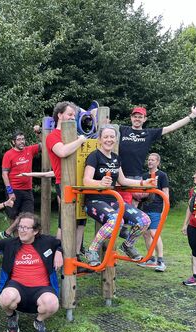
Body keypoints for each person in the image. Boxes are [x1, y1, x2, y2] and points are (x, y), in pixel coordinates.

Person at [0, 213, 63, 332]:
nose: (21, 230)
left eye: (25, 228)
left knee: (52, 304)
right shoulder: (11, 243)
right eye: (20, 227)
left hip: (42, 288)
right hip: (17, 286)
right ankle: (11, 316)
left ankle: (39, 321)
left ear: (35, 231)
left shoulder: (46, 242)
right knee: (5, 298)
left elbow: (61, 244)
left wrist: (59, 252)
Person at [82, 125, 156, 265]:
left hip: (113, 201)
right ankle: (91, 250)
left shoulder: (116, 158)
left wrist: (143, 182)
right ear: (100, 139)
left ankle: (127, 245)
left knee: (144, 220)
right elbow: (86, 180)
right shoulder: (94, 156)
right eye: (106, 137)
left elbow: (123, 181)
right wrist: (100, 183)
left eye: (112, 137)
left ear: (116, 139)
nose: (109, 139)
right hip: (95, 201)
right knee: (117, 220)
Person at [118, 104, 196, 206]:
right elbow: (103, 129)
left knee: (132, 208)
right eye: (135, 116)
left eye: (140, 117)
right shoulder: (121, 130)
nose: (137, 119)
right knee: (116, 205)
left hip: (135, 176)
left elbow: (171, 128)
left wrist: (191, 116)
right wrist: (94, 113)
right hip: (118, 174)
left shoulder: (148, 133)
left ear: (145, 119)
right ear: (131, 118)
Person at [45, 101, 89, 251]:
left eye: (74, 116)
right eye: (69, 114)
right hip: (64, 182)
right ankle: (59, 255)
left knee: (81, 220)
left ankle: (76, 255)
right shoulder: (53, 136)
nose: (72, 118)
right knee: (66, 220)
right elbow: (62, 152)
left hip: (80, 181)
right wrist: (81, 140)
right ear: (59, 115)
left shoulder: (73, 136)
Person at [0, 130, 40, 238]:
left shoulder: (30, 150)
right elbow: (4, 174)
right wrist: (10, 191)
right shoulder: (8, 154)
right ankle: (16, 240)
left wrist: (39, 132)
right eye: (18, 140)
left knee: (28, 216)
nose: (22, 142)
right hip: (14, 189)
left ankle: (7, 232)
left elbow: (45, 144)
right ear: (13, 142)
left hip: (27, 190)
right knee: (13, 216)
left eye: (23, 139)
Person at [138, 153, 169, 272]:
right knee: (145, 233)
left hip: (156, 208)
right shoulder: (144, 175)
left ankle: (161, 260)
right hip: (144, 207)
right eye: (149, 159)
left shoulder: (162, 175)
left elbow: (166, 192)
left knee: (154, 233)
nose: (150, 161)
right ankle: (151, 258)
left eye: (153, 160)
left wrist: (165, 210)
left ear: (158, 162)